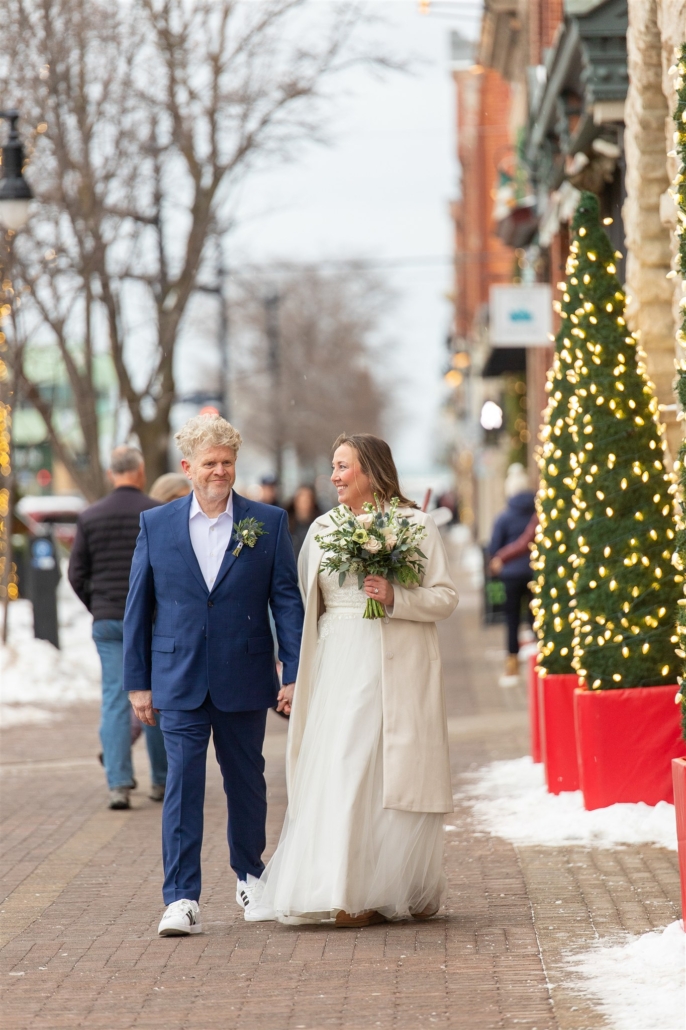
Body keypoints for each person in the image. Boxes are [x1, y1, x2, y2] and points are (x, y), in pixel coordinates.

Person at [247, 433, 458, 927]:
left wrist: (396, 597)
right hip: (335, 664)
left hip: (394, 662)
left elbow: (445, 597)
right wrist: (293, 672)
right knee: (340, 767)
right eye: (333, 467)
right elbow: (303, 607)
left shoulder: (415, 525)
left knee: (388, 772)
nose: (334, 476)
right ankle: (344, 888)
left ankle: (396, 884)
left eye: (343, 466)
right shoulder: (321, 529)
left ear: (371, 471)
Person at [123, 414, 304, 938]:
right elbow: (138, 607)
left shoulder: (267, 522)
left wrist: (293, 671)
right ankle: (181, 898)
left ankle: (250, 875)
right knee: (182, 786)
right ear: (188, 468)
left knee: (247, 782)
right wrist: (138, 682)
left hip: (244, 674)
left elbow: (286, 601)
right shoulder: (156, 524)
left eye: (227, 462)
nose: (220, 471)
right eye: (209, 463)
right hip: (177, 677)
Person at [68, 446, 168, 810]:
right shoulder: (156, 512)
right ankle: (162, 780)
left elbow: (76, 573)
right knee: (155, 696)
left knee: (114, 698)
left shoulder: (90, 516)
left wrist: (98, 606)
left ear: (111, 474)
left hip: (109, 619)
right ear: (140, 472)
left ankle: (118, 784)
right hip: (152, 620)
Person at [488, 463, 536, 688]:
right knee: (536, 617)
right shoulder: (537, 514)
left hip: (511, 575)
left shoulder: (504, 517)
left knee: (512, 620)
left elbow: (494, 547)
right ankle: (539, 664)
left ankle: (512, 666)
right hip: (535, 572)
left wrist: (498, 561)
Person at [286, 484, 322, 560]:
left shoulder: (319, 525)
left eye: (307, 499)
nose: (304, 503)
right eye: (301, 499)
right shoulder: (286, 525)